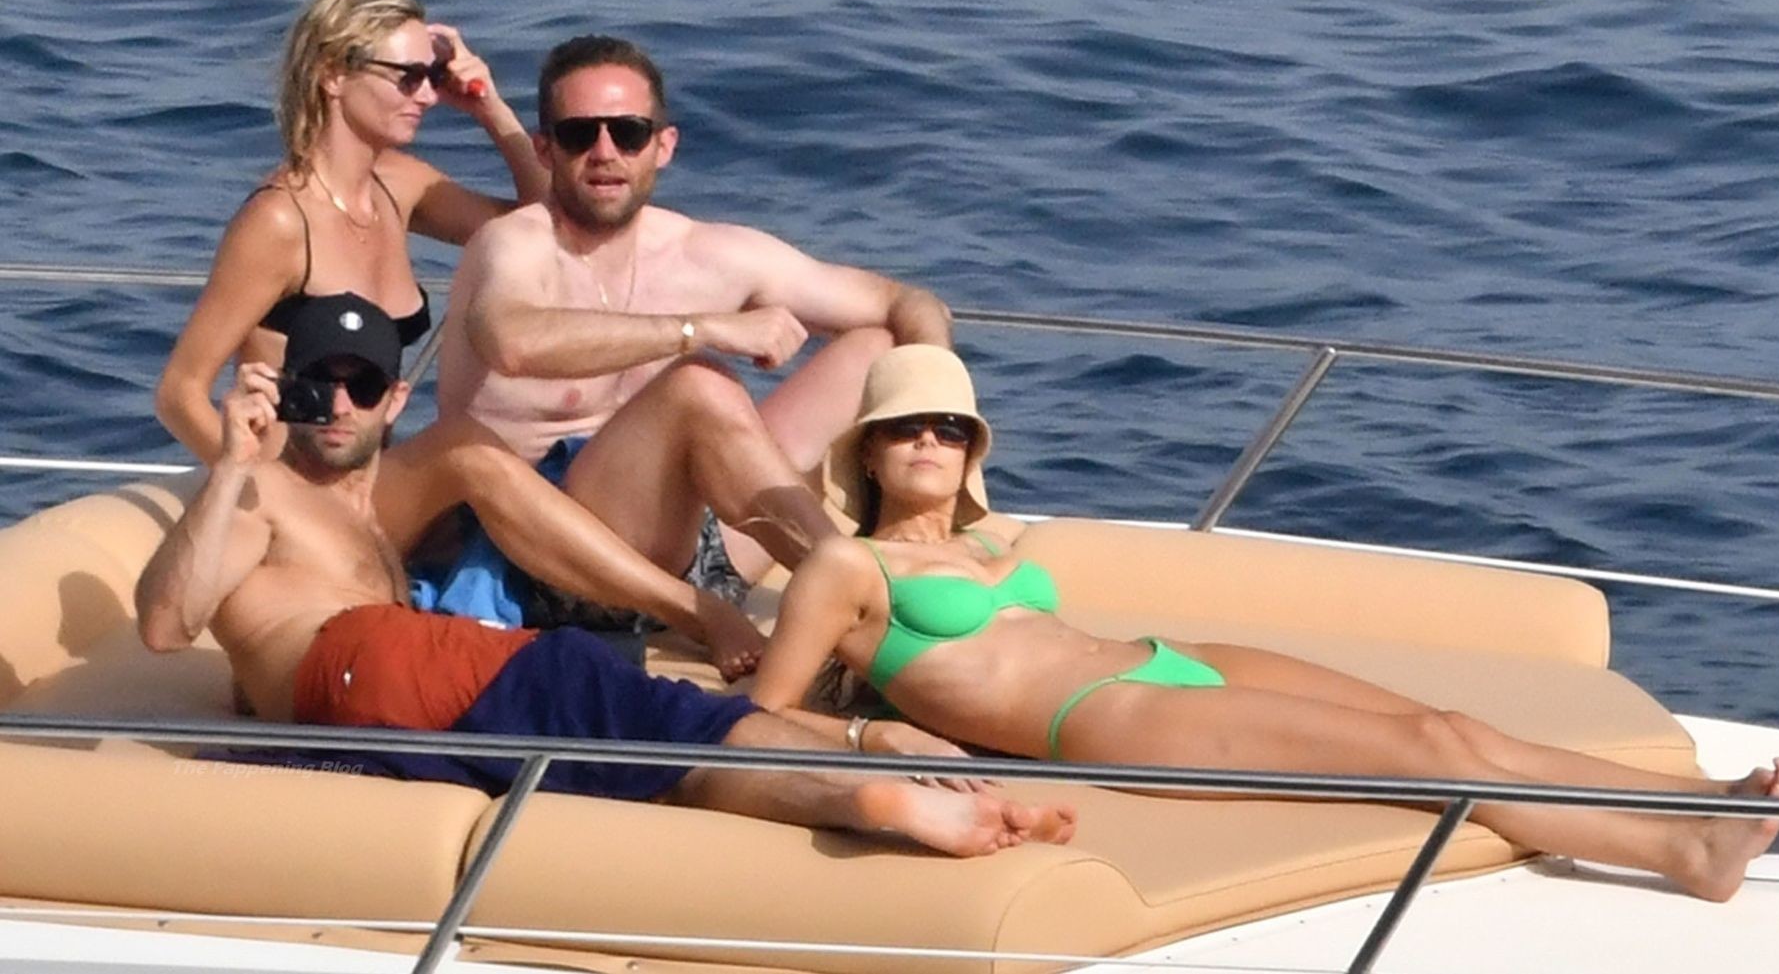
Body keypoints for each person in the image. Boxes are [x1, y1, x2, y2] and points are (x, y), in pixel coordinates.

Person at [748, 344, 1779, 903]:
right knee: (1430, 752)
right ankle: (1684, 852)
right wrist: (874, 732)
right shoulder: (849, 566)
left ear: (972, 446)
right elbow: (764, 713)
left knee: (1455, 723)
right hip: (1103, 719)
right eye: (906, 425)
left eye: (951, 425)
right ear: (869, 448)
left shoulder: (994, 542)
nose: (930, 439)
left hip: (1167, 662)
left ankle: (1704, 799)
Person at [134, 296, 1075, 858]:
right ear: (282, 387)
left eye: (362, 385)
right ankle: (860, 784)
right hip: (376, 658)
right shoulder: (257, 486)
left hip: (391, 679)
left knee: (639, 730)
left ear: (394, 396)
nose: (338, 404)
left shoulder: (369, 505)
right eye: (317, 384)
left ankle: (864, 772)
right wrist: (230, 461)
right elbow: (166, 624)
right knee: (614, 698)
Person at [153, 0, 770, 680]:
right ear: (332, 74)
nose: (426, 94)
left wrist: (488, 106)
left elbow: (548, 215)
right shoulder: (278, 220)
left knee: (524, 456)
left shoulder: (396, 186)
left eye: (431, 75)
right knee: (466, 447)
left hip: (373, 482)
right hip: (304, 483)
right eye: (407, 76)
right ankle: (692, 608)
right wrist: (268, 495)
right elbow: (179, 391)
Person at [426, 34, 952, 648]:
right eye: (579, 134)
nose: (604, 152)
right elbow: (509, 342)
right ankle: (867, 604)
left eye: (628, 133)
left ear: (664, 145)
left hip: (697, 552)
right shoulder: (517, 245)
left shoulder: (704, 251)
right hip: (550, 567)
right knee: (698, 387)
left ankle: (916, 540)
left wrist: (939, 417)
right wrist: (700, 329)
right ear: (545, 148)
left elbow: (911, 303)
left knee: (877, 348)